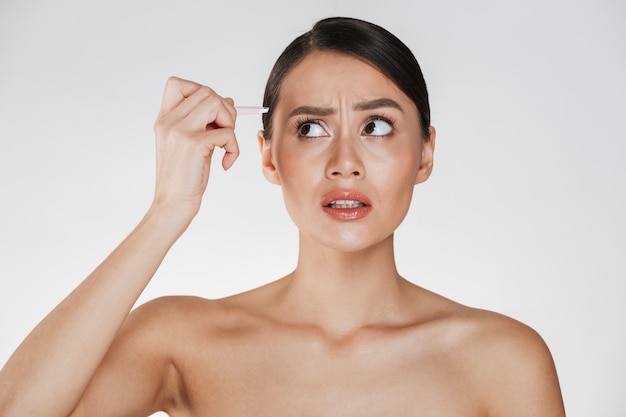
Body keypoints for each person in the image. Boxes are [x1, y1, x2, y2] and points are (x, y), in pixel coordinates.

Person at [0, 17, 565, 417]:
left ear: (425, 153)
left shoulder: (503, 359)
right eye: (310, 129)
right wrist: (167, 210)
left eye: (376, 127)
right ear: (269, 155)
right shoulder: (181, 341)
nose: (345, 164)